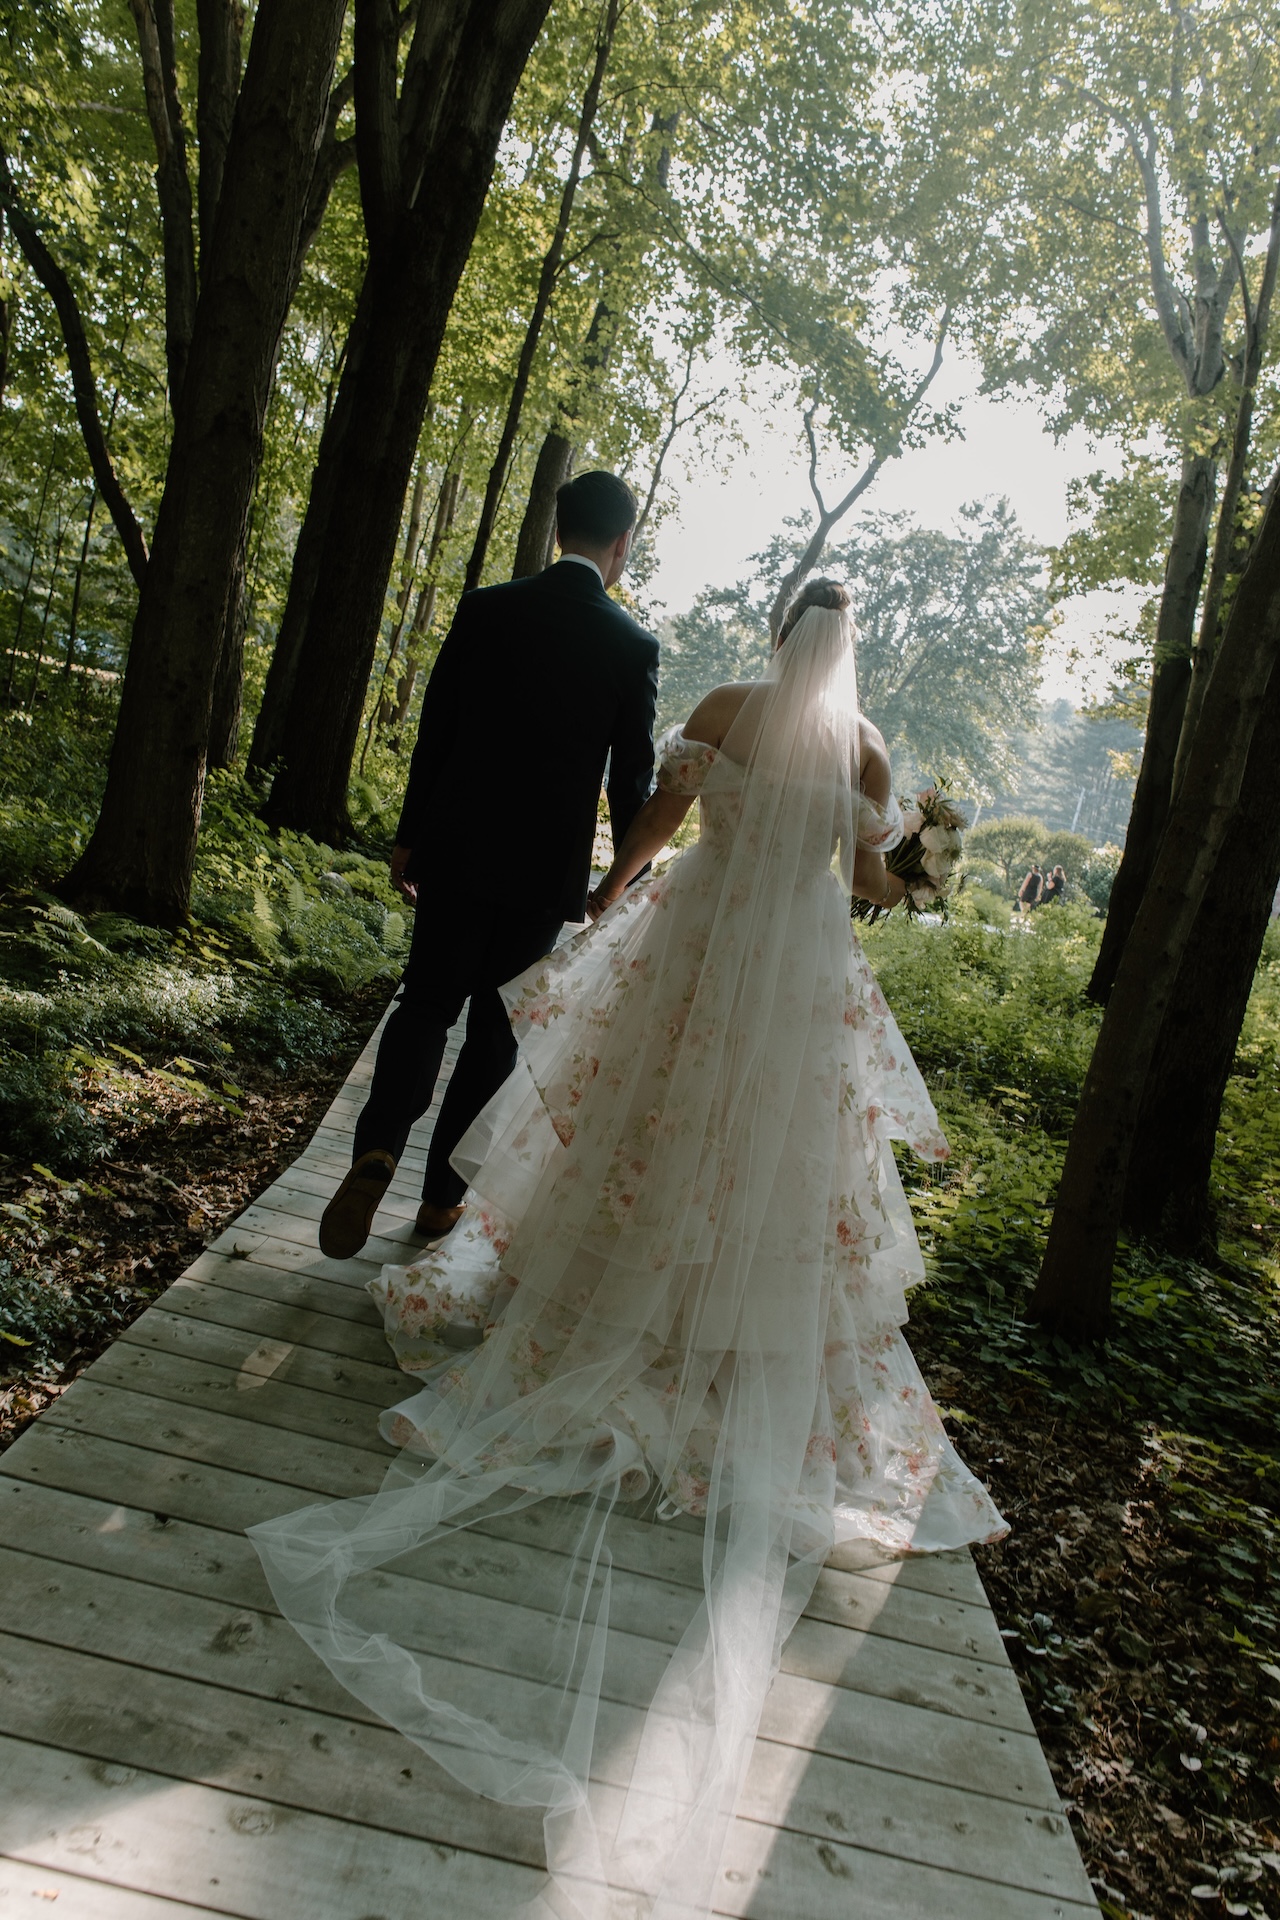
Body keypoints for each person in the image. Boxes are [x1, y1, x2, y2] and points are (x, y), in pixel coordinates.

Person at [252, 576, 1005, 1920]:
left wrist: (611, 891)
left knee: (639, 1119)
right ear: (851, 650)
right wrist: (921, 857)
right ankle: (721, 1323)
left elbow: (658, 819)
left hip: (699, 943)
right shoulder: (870, 752)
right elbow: (873, 885)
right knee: (772, 1146)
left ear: (782, 634)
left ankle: (593, 1285)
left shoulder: (724, 705)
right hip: (798, 971)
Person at [318, 469, 659, 1260]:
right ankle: (441, 1200)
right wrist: (619, 880)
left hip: (458, 849)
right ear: (621, 544)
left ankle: (377, 1148)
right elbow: (630, 783)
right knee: (494, 1035)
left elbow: (439, 728)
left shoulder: (486, 609)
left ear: (555, 531)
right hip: (545, 875)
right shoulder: (631, 645)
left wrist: (410, 836)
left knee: (426, 1003)